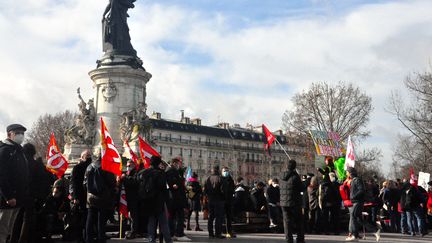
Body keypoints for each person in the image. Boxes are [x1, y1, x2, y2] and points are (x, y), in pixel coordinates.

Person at [0, 124, 30, 243]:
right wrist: (8, 196)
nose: (21, 136)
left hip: (18, 198)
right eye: (17, 133)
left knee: (8, 231)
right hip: (7, 199)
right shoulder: (4, 151)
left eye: (22, 133)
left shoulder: (18, 151)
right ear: (9, 134)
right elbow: (1, 176)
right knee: (2, 230)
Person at [139, 156, 173, 243]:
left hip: (148, 202)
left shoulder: (143, 172)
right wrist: (168, 203)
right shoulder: (160, 173)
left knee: (151, 223)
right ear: (158, 163)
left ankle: (151, 240)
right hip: (159, 202)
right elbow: (164, 189)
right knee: (163, 224)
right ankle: (168, 241)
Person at [83, 156, 117, 243]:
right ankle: (101, 238)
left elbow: (84, 182)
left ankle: (88, 238)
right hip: (103, 196)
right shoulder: (106, 167)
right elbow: (111, 182)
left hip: (90, 196)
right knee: (101, 219)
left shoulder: (89, 166)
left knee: (90, 218)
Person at [345, 167, 380, 242]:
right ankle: (374, 231)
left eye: (347, 172)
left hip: (358, 201)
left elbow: (361, 190)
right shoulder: (353, 180)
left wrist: (354, 196)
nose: (346, 173)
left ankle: (355, 235)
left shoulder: (357, 180)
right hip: (356, 201)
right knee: (358, 218)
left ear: (350, 173)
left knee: (354, 216)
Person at [69, 149, 92, 242]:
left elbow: (75, 184)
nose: (88, 157)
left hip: (86, 196)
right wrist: (76, 197)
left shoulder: (82, 167)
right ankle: (83, 237)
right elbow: (75, 183)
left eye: (89, 155)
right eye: (87, 155)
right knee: (83, 218)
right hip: (85, 196)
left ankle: (83, 237)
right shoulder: (82, 167)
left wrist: (75, 197)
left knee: (84, 218)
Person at [280, 160, 305, 243]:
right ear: (294, 167)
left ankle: (288, 239)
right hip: (294, 202)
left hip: (284, 202)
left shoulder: (281, 176)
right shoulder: (295, 176)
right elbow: (301, 188)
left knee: (287, 222)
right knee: (299, 221)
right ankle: (300, 239)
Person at [166, 158, 191, 241]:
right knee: (177, 216)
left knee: (175, 216)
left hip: (177, 198)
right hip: (174, 198)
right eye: (178, 163)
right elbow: (172, 183)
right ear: (174, 163)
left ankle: (174, 233)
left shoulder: (176, 172)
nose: (179, 165)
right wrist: (174, 184)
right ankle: (177, 234)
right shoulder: (171, 171)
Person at [122, 160, 142, 239]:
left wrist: (124, 179)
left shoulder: (137, 173)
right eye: (127, 166)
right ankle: (122, 231)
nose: (128, 167)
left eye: (129, 166)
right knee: (123, 215)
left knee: (133, 216)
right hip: (125, 198)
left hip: (133, 198)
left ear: (133, 165)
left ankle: (133, 231)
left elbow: (135, 182)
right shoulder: (125, 173)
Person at [204, 166, 225, 239]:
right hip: (219, 200)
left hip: (210, 200)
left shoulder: (207, 179)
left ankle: (210, 233)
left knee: (211, 217)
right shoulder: (220, 178)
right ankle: (217, 233)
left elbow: (205, 191)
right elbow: (223, 190)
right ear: (218, 170)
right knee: (218, 217)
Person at [221, 167, 235, 237]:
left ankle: (229, 232)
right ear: (222, 172)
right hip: (222, 200)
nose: (226, 172)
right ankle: (221, 231)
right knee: (221, 217)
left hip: (229, 201)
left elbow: (233, 188)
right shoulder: (220, 179)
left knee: (228, 217)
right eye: (224, 171)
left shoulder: (230, 179)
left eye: (227, 171)